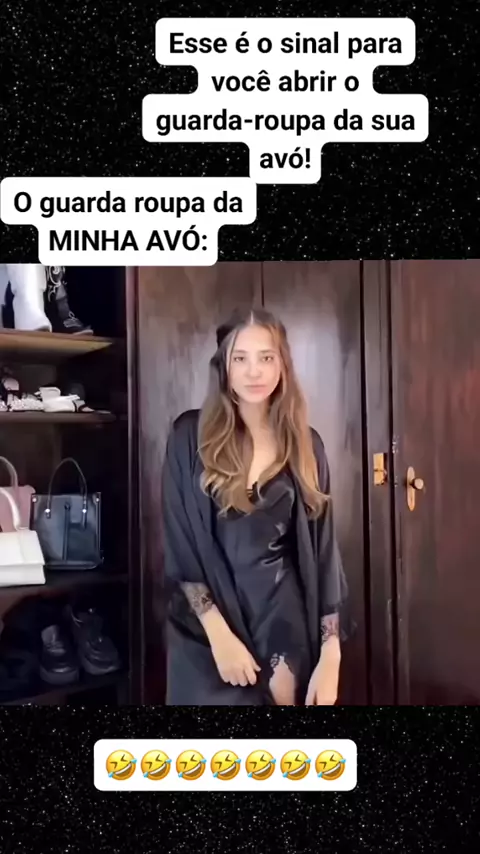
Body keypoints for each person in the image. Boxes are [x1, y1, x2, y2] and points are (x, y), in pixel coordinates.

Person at [161, 308, 349, 706]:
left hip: (282, 623)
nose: (254, 371)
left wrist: (331, 654)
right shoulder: (187, 436)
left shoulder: (306, 444)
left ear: (283, 364)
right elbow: (181, 547)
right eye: (240, 358)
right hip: (205, 627)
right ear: (223, 366)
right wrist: (219, 635)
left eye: (266, 357)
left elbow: (324, 553)